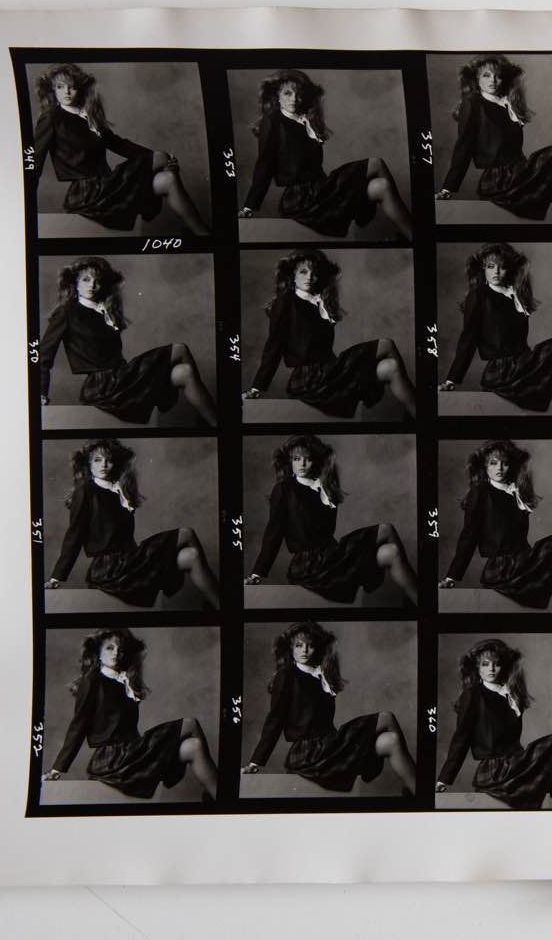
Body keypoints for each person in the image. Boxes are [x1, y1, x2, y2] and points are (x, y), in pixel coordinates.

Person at [29, 63, 210, 235]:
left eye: (72, 87)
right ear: (53, 90)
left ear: (80, 88)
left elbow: (119, 144)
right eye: (60, 87)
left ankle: (203, 235)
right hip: (86, 193)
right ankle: (152, 205)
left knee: (168, 179)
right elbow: (34, 160)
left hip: (106, 187)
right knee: (163, 157)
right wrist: (26, 202)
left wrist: (159, 159)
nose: (67, 92)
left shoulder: (88, 116)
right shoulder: (52, 117)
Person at [38, 256, 218, 425]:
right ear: (75, 282)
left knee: (185, 372)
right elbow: (44, 356)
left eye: (97, 280)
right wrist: (41, 393)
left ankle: (213, 424)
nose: (92, 285)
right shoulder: (66, 312)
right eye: (86, 279)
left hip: (122, 379)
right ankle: (178, 404)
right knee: (180, 348)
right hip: (102, 387)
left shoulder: (104, 310)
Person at [242, 620, 416, 796]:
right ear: (290, 648)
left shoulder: (321, 674)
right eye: (299, 645)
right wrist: (256, 762)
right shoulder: (286, 675)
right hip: (309, 753)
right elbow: (275, 720)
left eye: (310, 646)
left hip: (330, 746)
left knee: (391, 740)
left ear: (317, 648)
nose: (304, 650)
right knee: (386, 717)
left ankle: (414, 792)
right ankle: (416, 791)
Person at [439, 242, 552, 417]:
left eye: (502, 267)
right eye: (490, 267)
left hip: (525, 366)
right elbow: (468, 339)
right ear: (483, 269)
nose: (496, 272)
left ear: (510, 269)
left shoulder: (514, 294)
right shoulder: (478, 294)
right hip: (504, 373)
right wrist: (452, 379)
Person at [440, 440, 552, 614]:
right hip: (504, 569)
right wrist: (452, 576)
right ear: (485, 466)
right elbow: (469, 535)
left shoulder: (514, 492)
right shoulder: (480, 491)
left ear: (511, 466)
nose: (499, 468)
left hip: (524, 564)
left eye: (505, 463)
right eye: (493, 463)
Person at [46, 438, 221, 610]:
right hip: (109, 569)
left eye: (109, 460)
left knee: (192, 556)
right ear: (89, 464)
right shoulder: (85, 490)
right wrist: (57, 577)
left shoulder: (118, 490)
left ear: (116, 464)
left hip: (129, 562)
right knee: (186, 533)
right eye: (97, 460)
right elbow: (74, 535)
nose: (104, 465)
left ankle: (218, 606)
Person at [44, 628, 218, 801]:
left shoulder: (124, 681)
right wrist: (57, 769)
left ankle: (214, 796)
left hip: (133, 754)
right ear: (98, 652)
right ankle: (214, 792)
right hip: (113, 760)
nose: (116, 653)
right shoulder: (92, 681)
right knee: (190, 723)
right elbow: (78, 727)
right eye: (109, 648)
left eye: (120, 649)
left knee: (194, 746)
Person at [436, 638, 552, 808]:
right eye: (485, 664)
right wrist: (444, 779)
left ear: (504, 666)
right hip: (497, 772)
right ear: (477, 667)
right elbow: (461, 739)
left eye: (497, 664)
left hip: (517, 766)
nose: (491, 669)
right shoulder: (473, 694)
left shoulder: (509, 693)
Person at [241, 248, 416, 419]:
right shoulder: (285, 302)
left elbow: (322, 348)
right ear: (292, 275)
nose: (309, 277)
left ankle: (415, 416)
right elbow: (274, 346)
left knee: (391, 367)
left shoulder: (319, 302)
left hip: (330, 374)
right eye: (303, 272)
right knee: (386, 343)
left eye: (314, 273)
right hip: (310, 380)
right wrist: (257, 387)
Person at [239, 69, 414, 239]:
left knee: (382, 186)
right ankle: (368, 213)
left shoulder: (305, 121)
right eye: (287, 93)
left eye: (298, 94)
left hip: (322, 191)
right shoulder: (273, 122)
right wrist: (249, 207)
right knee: (376, 163)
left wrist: (309, 128)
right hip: (302, 199)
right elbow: (264, 166)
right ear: (277, 96)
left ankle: (411, 236)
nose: (294, 98)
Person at [434, 54, 552, 223]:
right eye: (486, 75)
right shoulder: (473, 103)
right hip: (500, 182)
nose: (492, 80)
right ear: (476, 78)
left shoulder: (506, 103)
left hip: (520, 175)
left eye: (497, 76)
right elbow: (463, 148)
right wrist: (448, 188)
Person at [245, 434, 418, 605]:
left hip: (332, 556)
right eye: (297, 459)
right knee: (387, 532)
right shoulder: (283, 489)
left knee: (392, 548)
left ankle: (416, 602)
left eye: (308, 459)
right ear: (290, 461)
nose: (302, 464)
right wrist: (258, 573)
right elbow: (273, 534)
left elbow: (327, 532)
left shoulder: (322, 487)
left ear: (316, 461)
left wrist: (325, 489)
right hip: (310, 566)